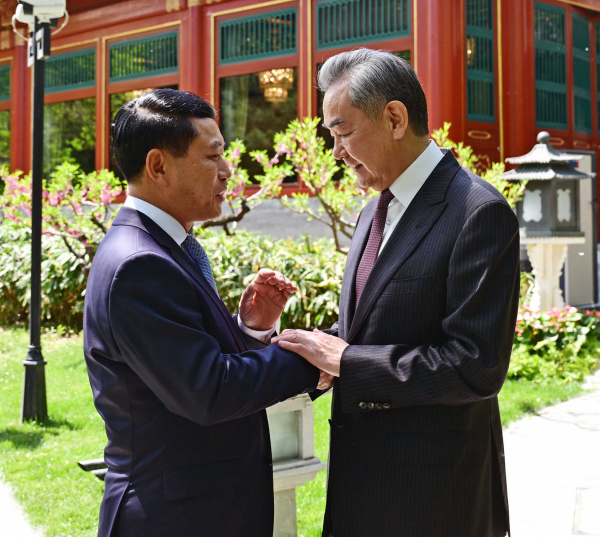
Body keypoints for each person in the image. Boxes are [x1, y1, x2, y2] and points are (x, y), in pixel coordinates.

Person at [276, 49, 520, 537]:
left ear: (394, 118)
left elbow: (475, 366)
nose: (336, 152)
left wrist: (348, 362)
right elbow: (368, 325)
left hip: (433, 496)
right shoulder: (374, 209)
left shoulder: (477, 211)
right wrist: (294, 344)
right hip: (359, 484)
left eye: (343, 132)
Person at [83, 89, 325, 537]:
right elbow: (207, 390)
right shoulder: (140, 263)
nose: (227, 170)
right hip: (172, 519)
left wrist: (249, 331)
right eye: (213, 156)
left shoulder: (161, 247)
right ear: (158, 166)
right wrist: (314, 356)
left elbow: (185, 366)